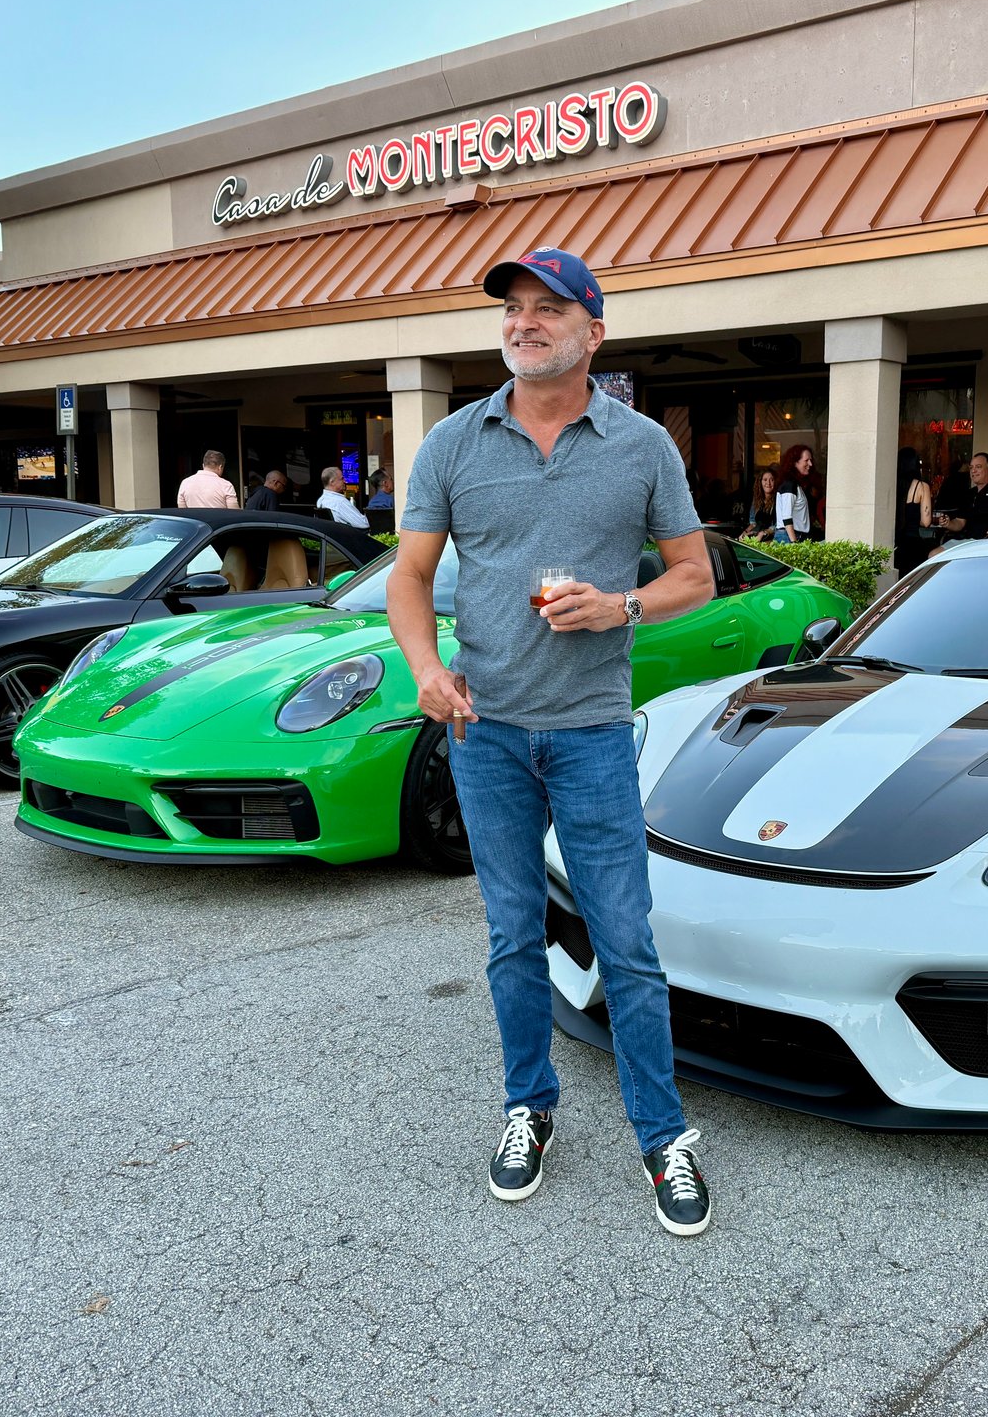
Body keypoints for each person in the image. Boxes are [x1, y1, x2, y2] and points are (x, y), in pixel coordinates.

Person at [385, 245, 717, 1238]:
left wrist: (619, 605)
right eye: (513, 309)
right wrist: (425, 668)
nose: (524, 323)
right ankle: (528, 1108)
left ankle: (662, 1135)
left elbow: (694, 575)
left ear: (592, 332)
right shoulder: (454, 442)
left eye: (548, 309)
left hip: (591, 736)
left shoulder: (642, 446)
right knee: (512, 938)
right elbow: (410, 578)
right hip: (484, 732)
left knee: (627, 942)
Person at [893, 445, 935, 575]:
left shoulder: (892, 484)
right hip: (913, 545)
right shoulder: (921, 486)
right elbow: (926, 522)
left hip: (895, 542)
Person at [775, 447, 814, 543]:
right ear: (795, 462)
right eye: (806, 460)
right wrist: (794, 542)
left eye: (810, 460)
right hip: (789, 537)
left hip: (792, 535)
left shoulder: (795, 485)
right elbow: (786, 516)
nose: (810, 464)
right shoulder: (789, 484)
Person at [743, 467, 779, 542]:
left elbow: (778, 525)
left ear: (775, 482)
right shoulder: (756, 499)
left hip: (773, 539)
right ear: (760, 482)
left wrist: (764, 533)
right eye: (765, 480)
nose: (768, 483)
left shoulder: (778, 499)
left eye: (771, 480)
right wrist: (745, 533)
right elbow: (753, 523)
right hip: (757, 536)